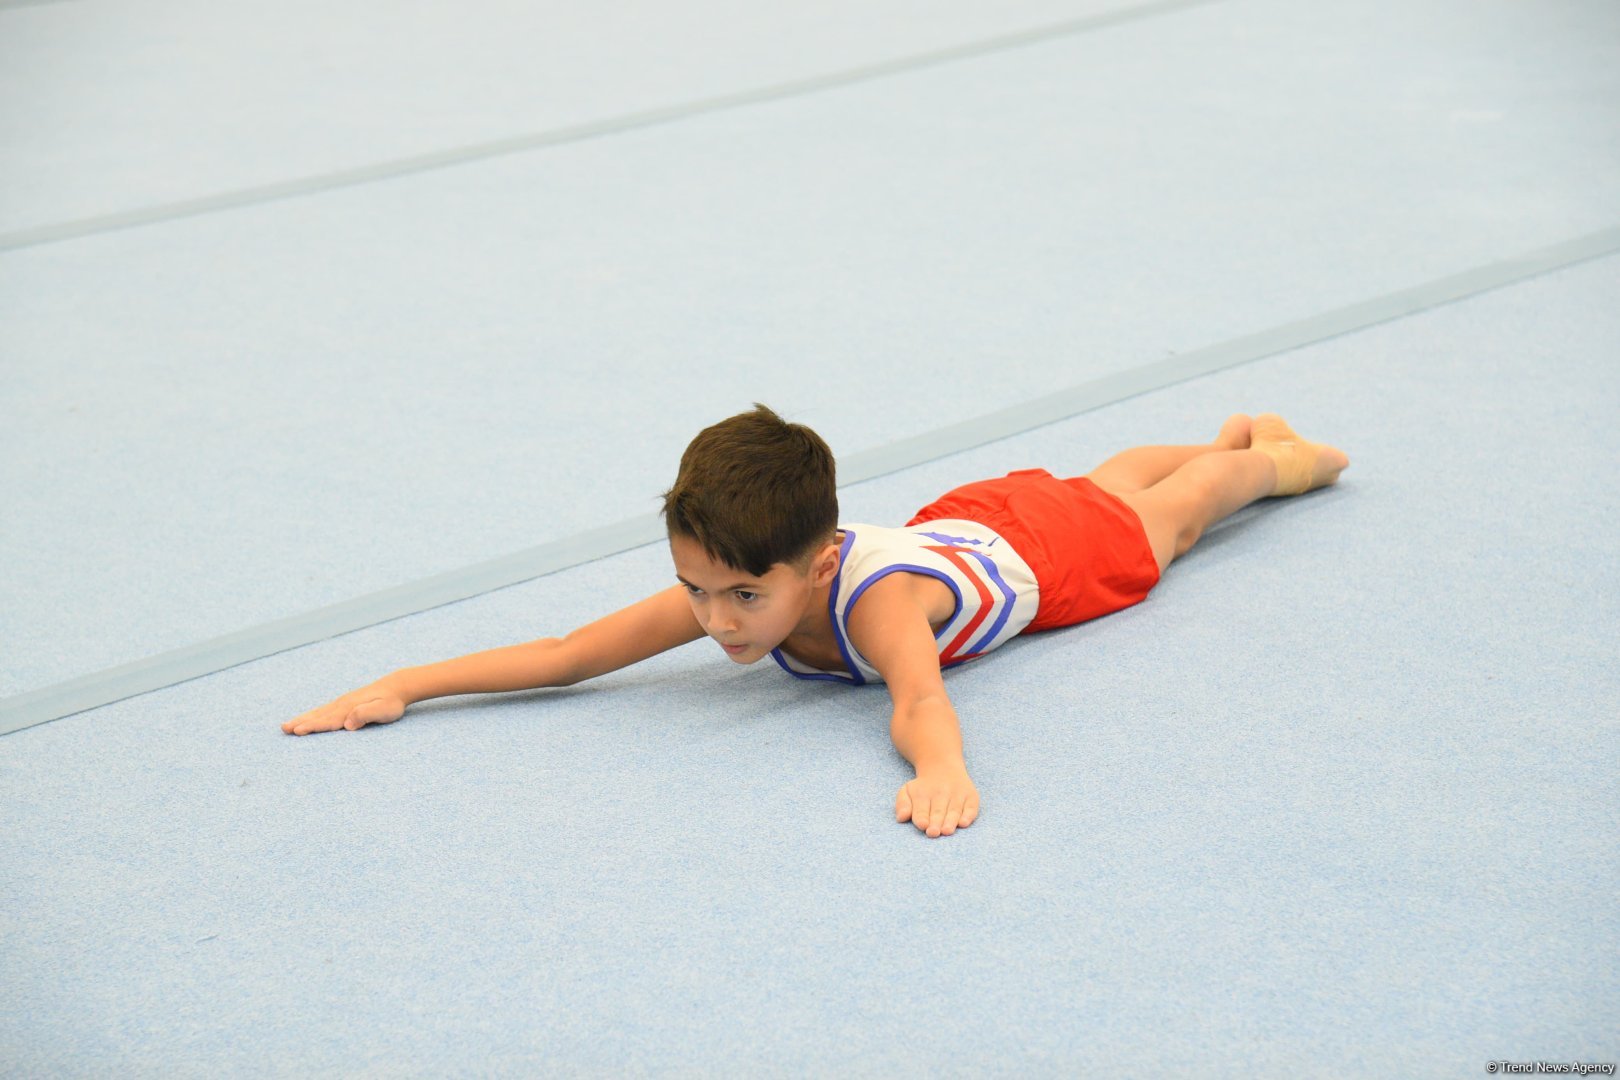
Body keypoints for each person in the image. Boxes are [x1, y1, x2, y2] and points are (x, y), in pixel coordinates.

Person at [283, 405, 1349, 839]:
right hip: (968, 522)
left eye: (742, 597)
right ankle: (1217, 443)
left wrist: (941, 774)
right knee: (1094, 482)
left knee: (1173, 516)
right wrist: (409, 683)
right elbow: (570, 657)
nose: (715, 620)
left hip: (1051, 561)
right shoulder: (737, 587)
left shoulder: (875, 602)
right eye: (696, 589)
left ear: (818, 564)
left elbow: (920, 695)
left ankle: (1274, 455)